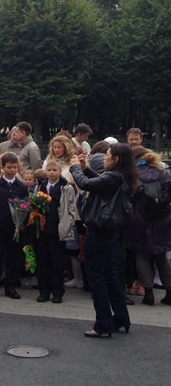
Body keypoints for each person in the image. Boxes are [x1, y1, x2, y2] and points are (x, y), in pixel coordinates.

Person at [69, 143, 136, 337]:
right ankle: (121, 318)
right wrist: (85, 169)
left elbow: (86, 184)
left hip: (99, 229)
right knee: (109, 273)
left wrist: (75, 168)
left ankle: (103, 323)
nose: (105, 158)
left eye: (108, 155)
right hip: (110, 230)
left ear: (116, 159)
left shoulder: (114, 176)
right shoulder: (122, 175)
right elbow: (99, 182)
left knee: (96, 276)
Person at [124, 146, 171, 306]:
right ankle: (169, 291)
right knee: (161, 255)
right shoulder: (164, 172)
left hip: (140, 218)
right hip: (162, 220)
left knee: (141, 254)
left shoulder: (133, 174)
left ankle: (148, 293)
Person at [0, 152, 28, 299]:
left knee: (12, 258)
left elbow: (25, 206)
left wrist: (22, 223)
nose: (12, 170)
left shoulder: (21, 186)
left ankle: (10, 287)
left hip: (14, 228)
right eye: (9, 167)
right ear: (2, 167)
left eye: (15, 167)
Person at [35, 161, 78, 304]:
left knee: (57, 263)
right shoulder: (41, 186)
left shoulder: (66, 187)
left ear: (60, 171)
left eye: (54, 170)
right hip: (42, 229)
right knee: (43, 261)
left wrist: (68, 222)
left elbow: (71, 207)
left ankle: (57, 292)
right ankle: (44, 291)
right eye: (49, 170)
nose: (52, 172)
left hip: (58, 229)